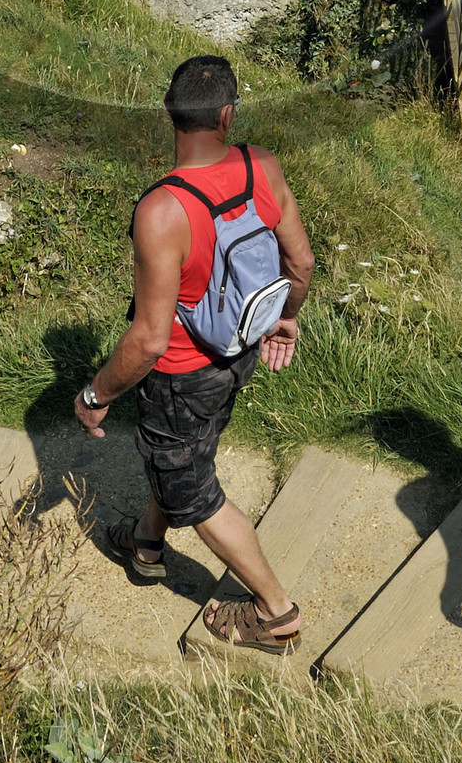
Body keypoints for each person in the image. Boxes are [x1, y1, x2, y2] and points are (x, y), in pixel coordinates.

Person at [74, 53, 315, 654]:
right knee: (181, 454)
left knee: (194, 488)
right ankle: (148, 545)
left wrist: (96, 394)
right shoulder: (262, 169)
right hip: (238, 354)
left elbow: (149, 338)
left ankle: (275, 612)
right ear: (228, 115)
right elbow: (301, 263)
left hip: (181, 372)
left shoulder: (162, 209)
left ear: (169, 113)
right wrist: (285, 320)